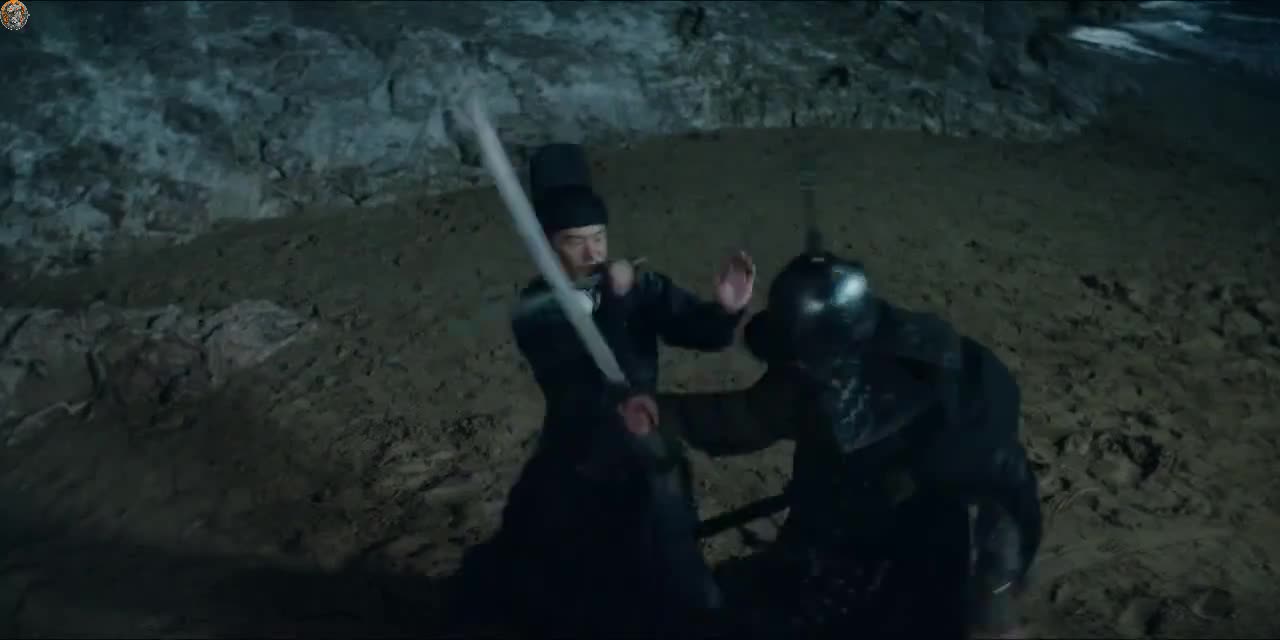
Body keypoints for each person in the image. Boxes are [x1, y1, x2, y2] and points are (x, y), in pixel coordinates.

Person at [615, 250, 1042, 638]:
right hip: (827, 539)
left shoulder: (950, 400)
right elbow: (747, 417)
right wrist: (662, 414)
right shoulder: (810, 381)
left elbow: (1004, 503)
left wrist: (994, 603)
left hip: (914, 566)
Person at [450, 143, 756, 635]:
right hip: (577, 447)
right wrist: (617, 301)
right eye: (576, 242)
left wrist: (724, 310)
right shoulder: (537, 308)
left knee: (669, 556)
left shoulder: (637, 285)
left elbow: (695, 331)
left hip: (644, 442)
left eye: (599, 237)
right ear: (549, 245)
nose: (593, 253)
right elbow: (587, 378)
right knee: (551, 558)